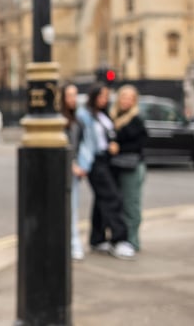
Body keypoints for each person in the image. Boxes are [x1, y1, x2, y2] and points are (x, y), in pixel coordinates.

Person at [74, 83, 135, 260]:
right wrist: (78, 162)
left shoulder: (102, 114)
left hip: (106, 160)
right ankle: (119, 240)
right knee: (113, 198)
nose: (105, 100)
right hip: (94, 162)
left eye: (107, 97)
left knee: (102, 200)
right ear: (93, 97)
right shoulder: (84, 115)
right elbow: (79, 141)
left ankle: (97, 239)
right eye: (102, 96)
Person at [108, 84, 148, 252]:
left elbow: (140, 144)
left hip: (132, 167)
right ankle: (121, 239)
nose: (126, 100)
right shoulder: (113, 116)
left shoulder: (136, 119)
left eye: (130, 98)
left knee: (131, 205)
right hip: (117, 166)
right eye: (123, 96)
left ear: (134, 101)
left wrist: (119, 148)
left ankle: (132, 241)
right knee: (119, 204)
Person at [60, 83, 86, 261]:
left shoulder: (78, 119)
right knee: (63, 209)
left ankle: (74, 243)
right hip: (62, 171)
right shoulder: (59, 120)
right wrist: (71, 163)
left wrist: (80, 164)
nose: (73, 99)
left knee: (73, 209)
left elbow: (81, 146)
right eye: (69, 95)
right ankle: (67, 243)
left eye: (75, 95)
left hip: (73, 173)